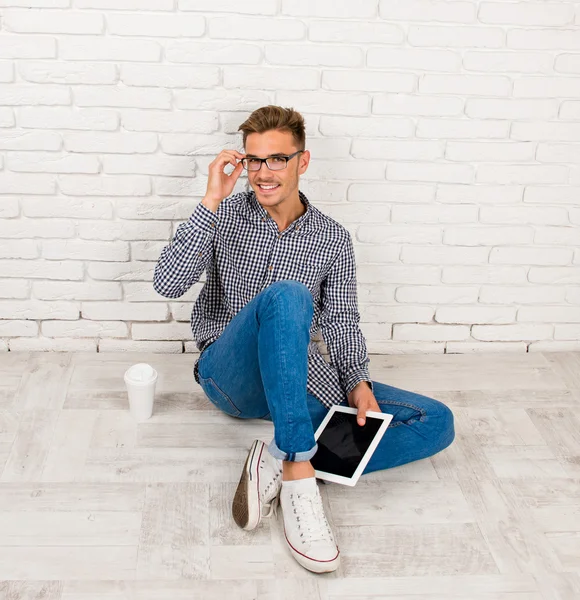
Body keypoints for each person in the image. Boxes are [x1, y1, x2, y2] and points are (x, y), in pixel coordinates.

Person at [153, 105, 455, 574]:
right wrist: (211, 199)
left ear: (303, 161)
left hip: (298, 380)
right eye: (253, 160)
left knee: (435, 420)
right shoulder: (224, 217)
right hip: (231, 376)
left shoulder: (333, 239)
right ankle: (297, 471)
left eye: (276, 159)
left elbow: (342, 319)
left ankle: (279, 457)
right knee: (289, 295)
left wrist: (357, 382)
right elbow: (168, 284)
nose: (262, 173)